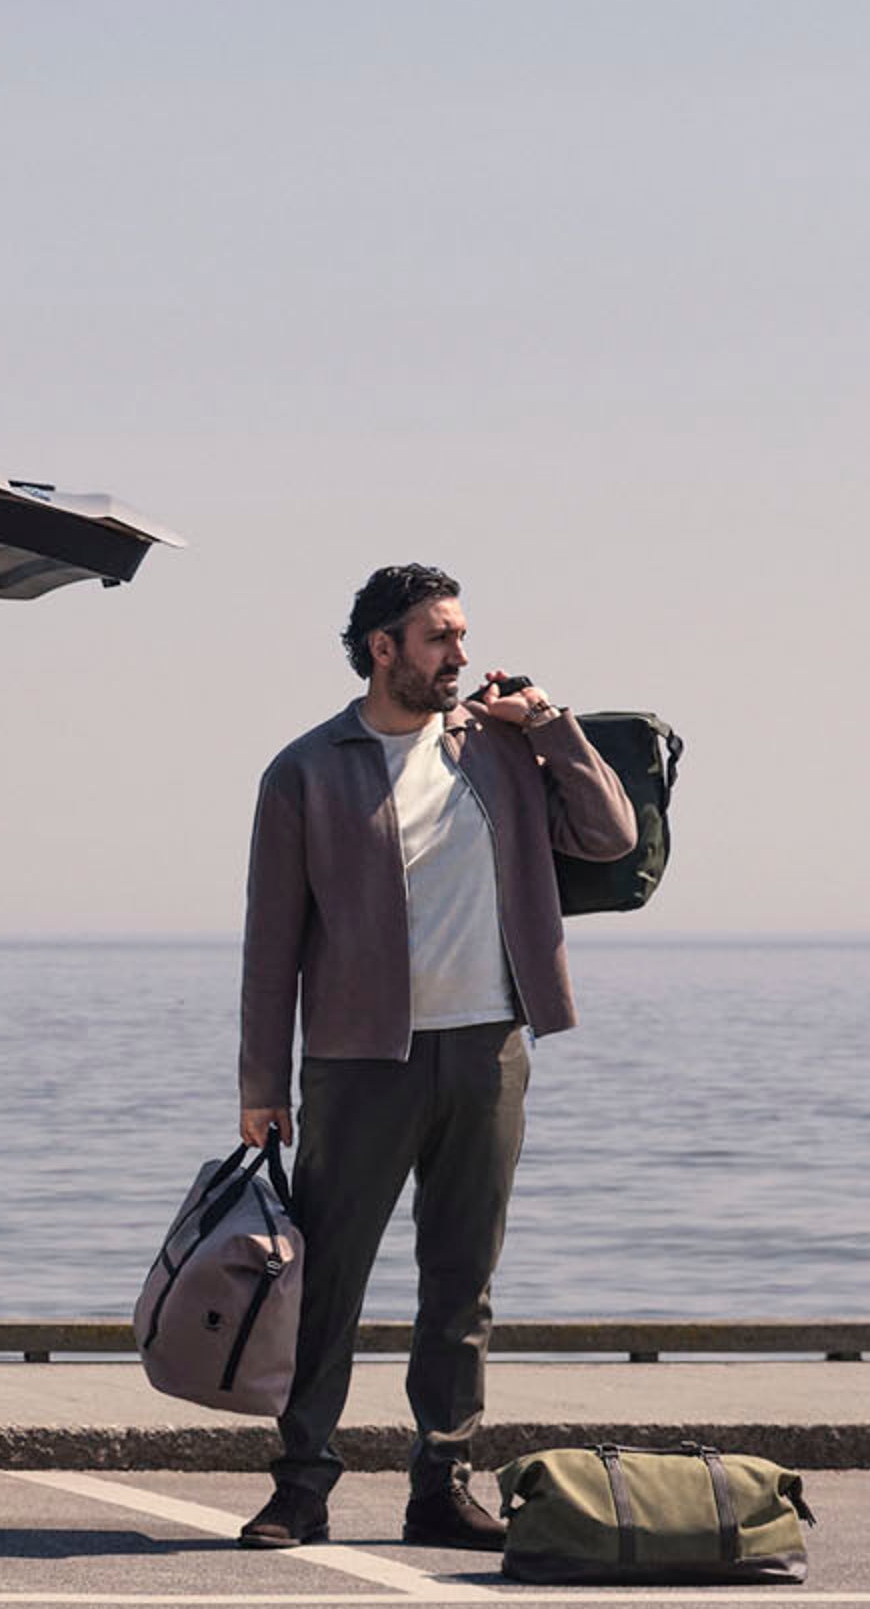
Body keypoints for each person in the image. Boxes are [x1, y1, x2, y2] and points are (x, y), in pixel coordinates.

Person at [233, 562, 635, 1550]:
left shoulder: (501, 750)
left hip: (489, 1047)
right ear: (384, 649)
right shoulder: (306, 770)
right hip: (358, 1061)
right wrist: (261, 1084)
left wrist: (549, 722)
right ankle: (302, 1484)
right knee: (328, 1280)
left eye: (459, 635)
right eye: (439, 638)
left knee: (461, 1281)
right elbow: (271, 941)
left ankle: (442, 1483)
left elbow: (611, 834)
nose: (460, 654)